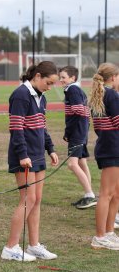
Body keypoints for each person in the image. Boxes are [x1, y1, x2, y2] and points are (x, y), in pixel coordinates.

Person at [1, 61, 60, 262]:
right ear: (37, 76)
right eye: (48, 83)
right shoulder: (20, 95)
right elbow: (16, 128)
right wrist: (22, 154)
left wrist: (50, 149)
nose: (50, 88)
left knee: (36, 200)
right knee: (28, 199)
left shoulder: (41, 97)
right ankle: (10, 247)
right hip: (24, 156)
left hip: (37, 155)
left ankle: (34, 245)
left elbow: (42, 126)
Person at [88, 63, 119, 251]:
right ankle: (99, 236)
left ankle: (108, 233)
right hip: (112, 149)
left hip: (110, 147)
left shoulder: (103, 94)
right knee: (106, 194)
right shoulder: (112, 95)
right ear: (113, 77)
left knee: (115, 194)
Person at [59, 66, 96, 209]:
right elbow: (80, 111)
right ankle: (89, 194)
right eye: (60, 77)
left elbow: (78, 110)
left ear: (72, 78)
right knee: (82, 163)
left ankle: (90, 195)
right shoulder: (75, 89)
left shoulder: (72, 89)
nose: (61, 80)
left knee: (72, 164)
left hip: (77, 132)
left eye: (63, 77)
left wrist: (69, 132)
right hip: (81, 131)